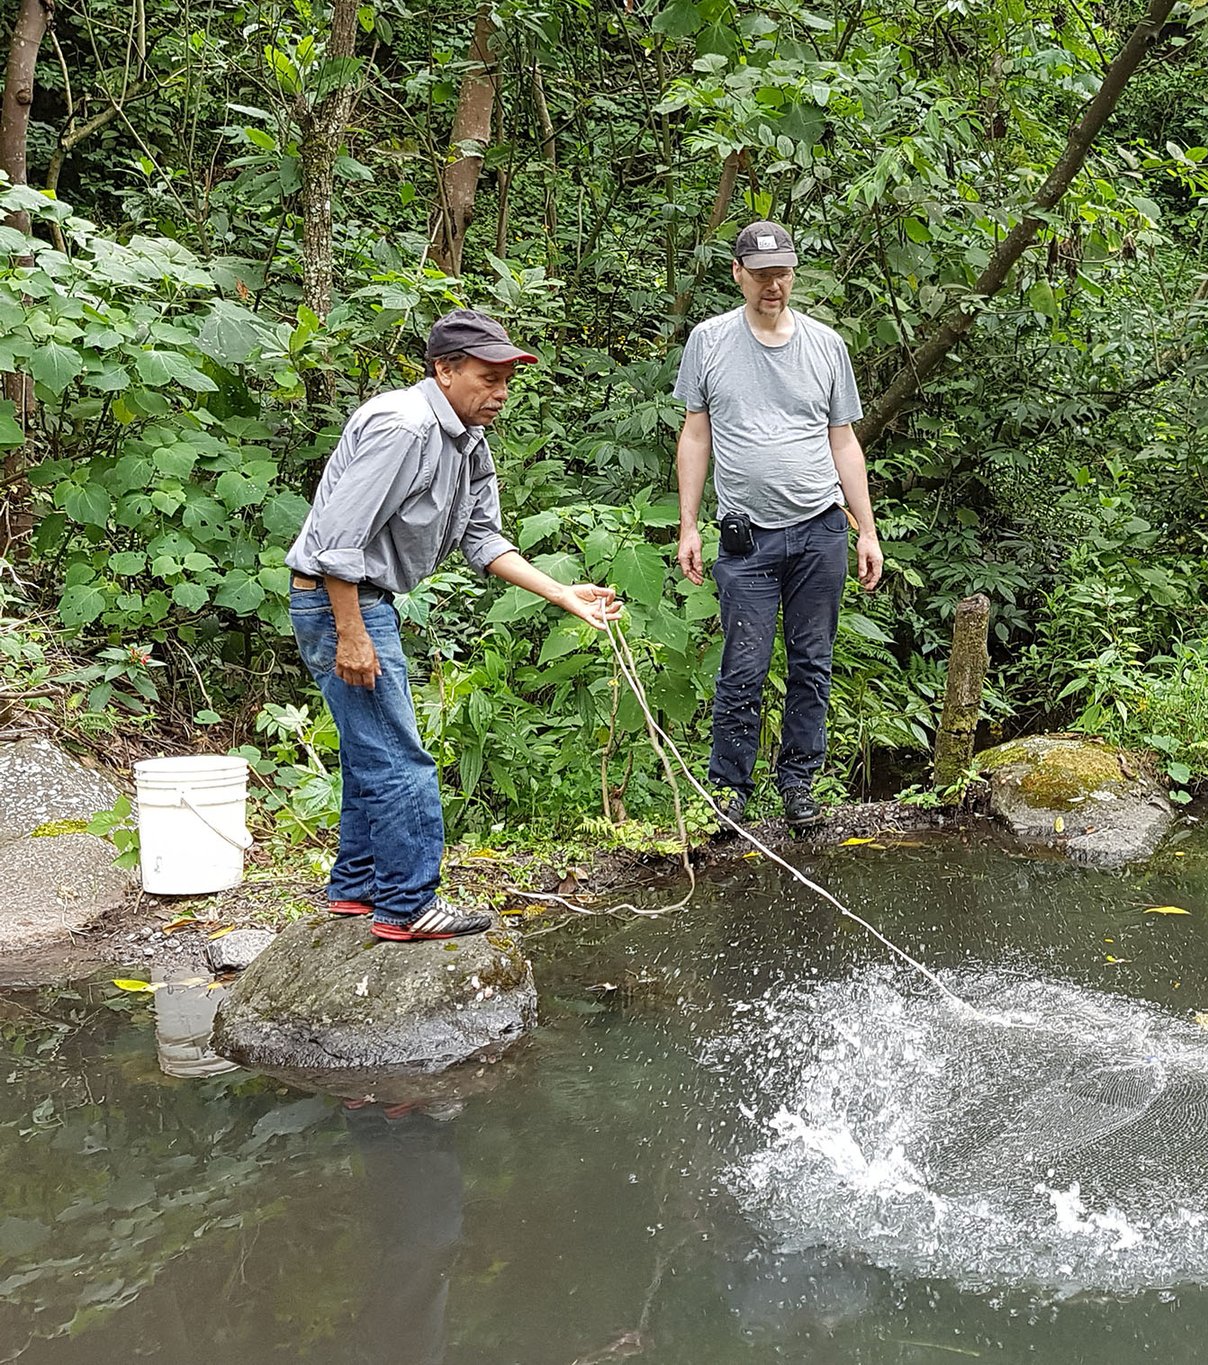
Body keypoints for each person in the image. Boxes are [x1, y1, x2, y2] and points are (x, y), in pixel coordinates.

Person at [285, 309, 622, 942]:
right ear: (444, 370)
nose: (499, 395)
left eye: (506, 383)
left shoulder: (468, 439)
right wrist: (352, 633)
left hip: (364, 601)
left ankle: (357, 891)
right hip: (341, 602)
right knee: (398, 759)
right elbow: (336, 542)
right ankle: (408, 906)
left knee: (370, 753)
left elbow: (482, 538)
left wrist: (561, 595)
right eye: (487, 379)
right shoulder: (403, 427)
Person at [672, 220, 883, 832]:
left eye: (783, 273)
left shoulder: (826, 346)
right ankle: (730, 793)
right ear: (737, 273)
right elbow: (695, 435)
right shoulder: (708, 342)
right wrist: (688, 525)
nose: (773, 285)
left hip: (820, 531)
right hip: (747, 538)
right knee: (742, 666)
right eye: (762, 274)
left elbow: (844, 442)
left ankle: (799, 787)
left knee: (811, 663)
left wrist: (866, 530)